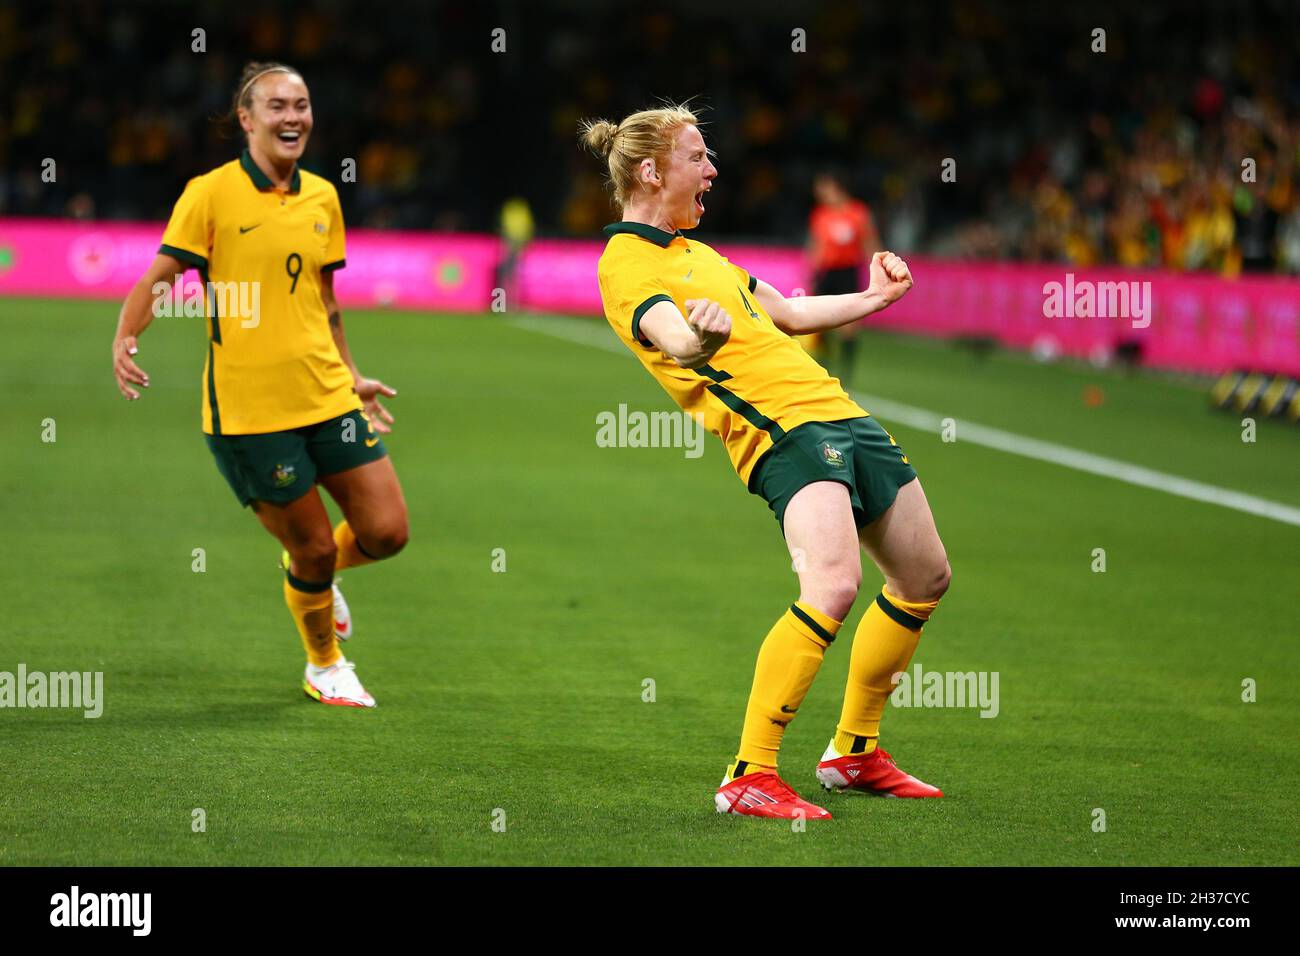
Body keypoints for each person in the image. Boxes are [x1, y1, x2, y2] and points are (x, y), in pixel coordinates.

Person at [581, 103, 949, 819]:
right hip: (782, 434)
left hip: (839, 413)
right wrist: (702, 340)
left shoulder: (699, 254)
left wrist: (876, 296)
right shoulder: (625, 264)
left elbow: (786, 311)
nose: (713, 170)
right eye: (698, 157)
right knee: (834, 586)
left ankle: (854, 752)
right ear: (653, 171)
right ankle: (749, 773)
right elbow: (675, 342)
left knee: (924, 574)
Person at [111, 62, 409, 708]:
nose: (293, 117)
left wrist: (352, 376)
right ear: (246, 119)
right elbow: (161, 275)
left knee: (387, 531)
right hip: (250, 413)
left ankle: (312, 576)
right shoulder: (210, 194)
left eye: (302, 104)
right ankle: (324, 664)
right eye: (277, 106)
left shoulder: (325, 197)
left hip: (327, 395)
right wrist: (125, 334)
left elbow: (325, 302)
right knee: (313, 550)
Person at [808, 171, 878, 385]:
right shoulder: (820, 215)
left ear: (836, 187)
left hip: (847, 272)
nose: (819, 192)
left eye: (823, 187)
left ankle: (846, 371)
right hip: (826, 273)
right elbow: (817, 245)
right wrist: (812, 271)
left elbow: (870, 242)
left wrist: (879, 263)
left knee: (850, 325)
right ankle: (823, 366)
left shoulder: (858, 213)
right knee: (820, 322)